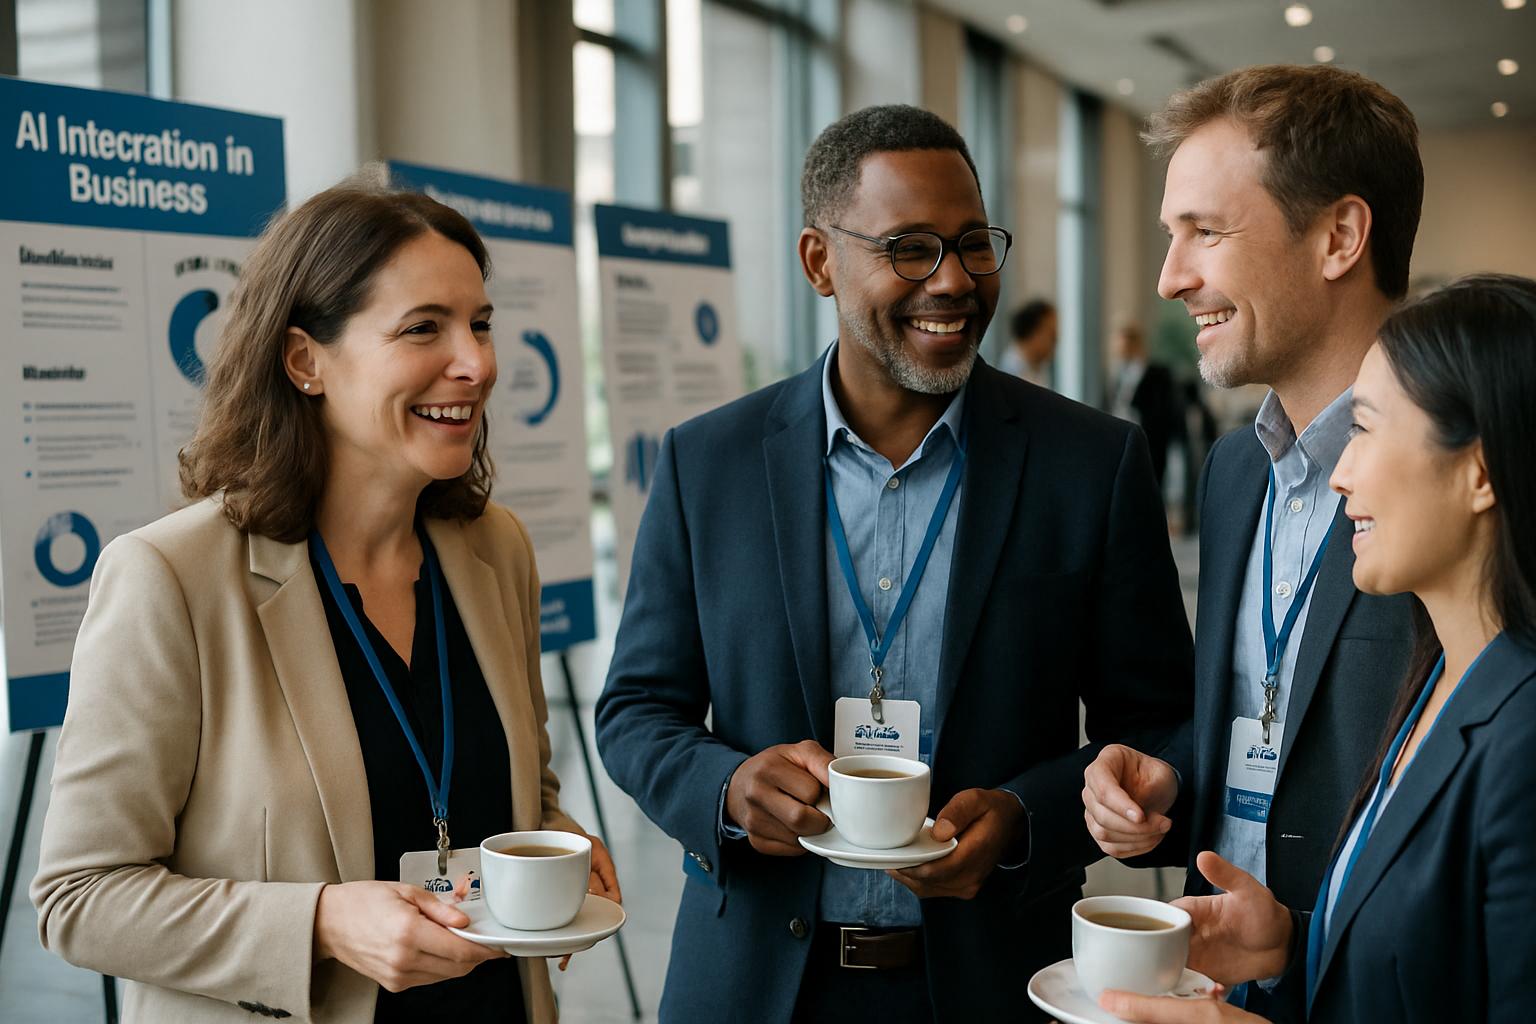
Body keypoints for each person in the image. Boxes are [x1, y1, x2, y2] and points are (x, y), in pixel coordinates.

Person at [595, 104, 1193, 1023]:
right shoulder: (708, 463)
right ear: (819, 262)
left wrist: (1026, 817)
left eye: (972, 245)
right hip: (755, 984)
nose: (952, 280)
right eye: (909, 249)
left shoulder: (1090, 465)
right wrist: (726, 788)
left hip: (994, 984)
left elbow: (1158, 726)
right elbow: (637, 709)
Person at [31, 181, 619, 1023]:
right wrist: (319, 923)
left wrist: (557, 843)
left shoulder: (496, 550)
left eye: (481, 323)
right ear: (305, 361)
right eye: (424, 328)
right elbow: (80, 897)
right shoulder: (170, 578)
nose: (477, 363)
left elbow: (525, 784)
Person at [1098, 274, 1536, 1024]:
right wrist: (1289, 946)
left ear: (1479, 471)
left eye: (1365, 429)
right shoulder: (1439, 679)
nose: (1340, 474)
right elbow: (1427, 969)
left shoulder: (1521, 737)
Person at [1080, 65, 1424, 1017]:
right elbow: (1269, 718)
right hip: (1222, 978)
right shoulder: (1238, 471)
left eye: (1207, 232)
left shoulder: (1461, 478)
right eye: (1171, 235)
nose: (1170, 277)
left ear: (1339, 237)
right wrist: (1170, 783)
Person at [1109, 323, 1177, 486]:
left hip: (1150, 444)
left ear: (1135, 345)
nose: (1118, 351)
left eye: (1123, 346)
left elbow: (1165, 412)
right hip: (1121, 443)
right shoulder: (1118, 375)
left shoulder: (1159, 374)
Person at [1002, 297, 1057, 387]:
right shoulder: (1014, 372)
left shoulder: (1035, 368)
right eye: (1052, 336)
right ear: (1035, 332)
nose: (1055, 343)